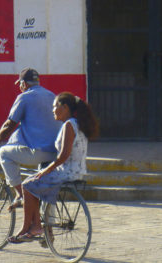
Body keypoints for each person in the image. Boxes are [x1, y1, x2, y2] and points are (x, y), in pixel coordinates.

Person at [8, 91, 99, 243]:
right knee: (36, 183)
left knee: (27, 184)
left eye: (55, 106)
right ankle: (39, 226)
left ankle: (30, 227)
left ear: (64, 107)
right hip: (77, 171)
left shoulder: (69, 125)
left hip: (66, 172)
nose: (52, 110)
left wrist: (47, 169)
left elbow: (63, 155)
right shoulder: (78, 124)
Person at [0, 68, 61, 210]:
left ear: (24, 84)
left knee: (4, 153)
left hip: (38, 152)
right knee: (43, 185)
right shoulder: (51, 95)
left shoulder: (24, 97)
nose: (20, 87)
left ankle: (20, 195)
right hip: (55, 152)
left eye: (20, 84)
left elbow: (9, 124)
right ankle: (48, 226)